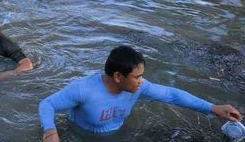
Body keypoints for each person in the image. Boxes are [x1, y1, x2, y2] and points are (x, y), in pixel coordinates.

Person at [39, 46, 242, 142]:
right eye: (137, 76)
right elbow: (47, 104)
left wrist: (214, 109)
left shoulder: (138, 87)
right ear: (118, 76)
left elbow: (172, 94)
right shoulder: (83, 89)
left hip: (119, 135)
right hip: (79, 136)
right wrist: (50, 132)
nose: (142, 80)